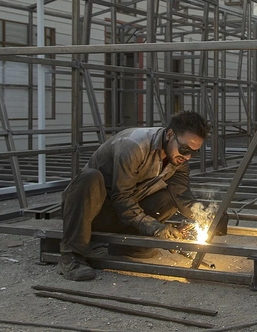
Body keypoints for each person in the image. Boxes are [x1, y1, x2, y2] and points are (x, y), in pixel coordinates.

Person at [59, 110, 227, 281]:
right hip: (92, 211)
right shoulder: (134, 146)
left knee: (169, 200)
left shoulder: (178, 161)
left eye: (194, 152)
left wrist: (209, 215)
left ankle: (128, 246)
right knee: (90, 178)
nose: (187, 156)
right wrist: (155, 228)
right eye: (184, 149)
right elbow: (121, 197)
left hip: (120, 215)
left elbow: (182, 197)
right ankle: (71, 255)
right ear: (170, 134)